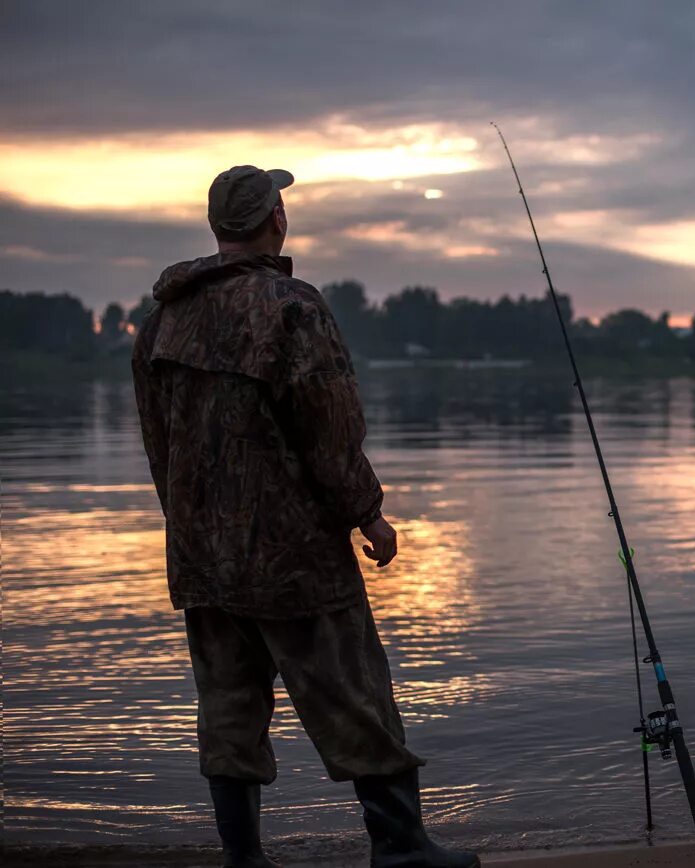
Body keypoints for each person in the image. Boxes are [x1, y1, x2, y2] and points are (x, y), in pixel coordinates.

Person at [132, 165, 479, 868]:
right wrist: (368, 515)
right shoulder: (292, 307)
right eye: (280, 203)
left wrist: (188, 526)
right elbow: (329, 427)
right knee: (353, 694)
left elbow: (156, 441)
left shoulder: (163, 318)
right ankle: (401, 849)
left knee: (228, 703)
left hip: (202, 557)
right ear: (275, 220)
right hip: (294, 555)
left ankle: (244, 859)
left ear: (216, 226)